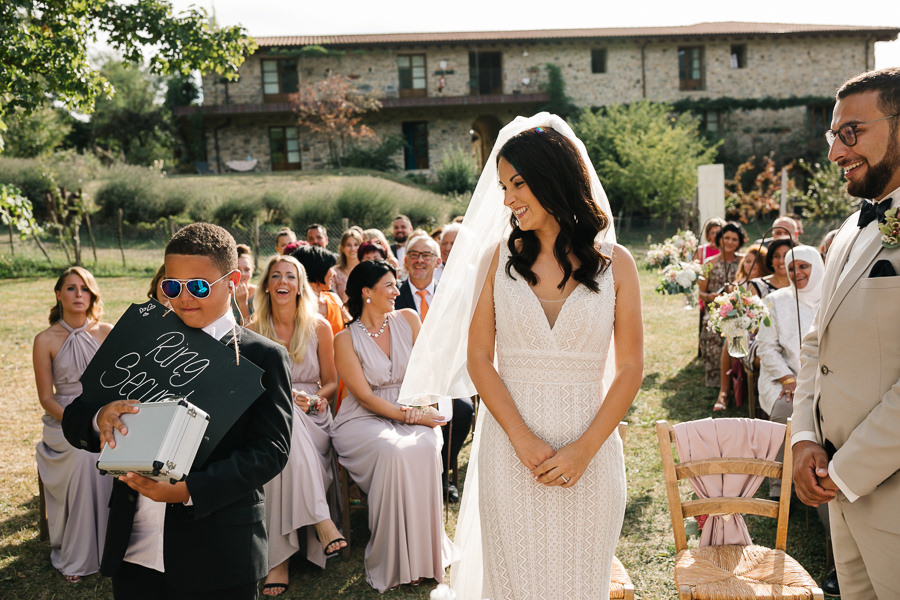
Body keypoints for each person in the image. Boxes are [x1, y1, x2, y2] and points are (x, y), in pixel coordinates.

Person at [432, 116, 642, 600]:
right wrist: (522, 439)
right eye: (504, 186)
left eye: (518, 183)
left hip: (590, 456)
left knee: (582, 586)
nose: (507, 199)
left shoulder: (618, 264)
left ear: (554, 178)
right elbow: (480, 359)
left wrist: (585, 449)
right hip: (510, 453)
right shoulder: (494, 259)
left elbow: (631, 369)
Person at [62, 222, 293, 599]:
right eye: (172, 286)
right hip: (133, 549)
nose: (184, 297)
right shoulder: (140, 339)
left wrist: (189, 491)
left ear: (232, 281)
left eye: (199, 286)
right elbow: (76, 415)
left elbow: (270, 452)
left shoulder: (264, 357)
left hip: (218, 553)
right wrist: (98, 417)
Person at [792, 67, 900, 597]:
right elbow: (818, 343)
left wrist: (848, 470)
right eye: (834, 135)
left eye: (851, 132)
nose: (835, 152)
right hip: (839, 494)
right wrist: (805, 437)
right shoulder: (851, 229)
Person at [331, 260, 452, 592]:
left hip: (411, 407)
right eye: (389, 285)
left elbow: (428, 370)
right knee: (393, 451)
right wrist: (411, 417)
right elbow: (366, 398)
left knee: (426, 446)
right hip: (363, 418)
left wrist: (421, 408)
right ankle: (395, 560)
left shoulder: (409, 319)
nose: (398, 291)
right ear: (367, 292)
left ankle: (425, 558)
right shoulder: (344, 339)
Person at [249, 255, 344, 596]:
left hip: (314, 413)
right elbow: (247, 387)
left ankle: (279, 560)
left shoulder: (319, 326)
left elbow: (332, 382)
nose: (283, 282)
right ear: (267, 285)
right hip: (267, 414)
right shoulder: (251, 330)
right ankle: (321, 521)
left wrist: (316, 399)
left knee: (288, 431)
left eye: (290, 276)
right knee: (282, 423)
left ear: (300, 285)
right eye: (276, 276)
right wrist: (280, 400)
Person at [33, 266, 115, 583]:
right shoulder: (45, 339)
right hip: (64, 418)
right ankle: (81, 554)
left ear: (92, 294)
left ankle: (119, 546)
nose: (78, 294)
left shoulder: (107, 332)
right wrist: (79, 423)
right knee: (85, 457)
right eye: (70, 288)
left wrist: (104, 415)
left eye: (84, 288)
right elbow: (45, 397)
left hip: (104, 410)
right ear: (58, 294)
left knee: (124, 448)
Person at [394, 233, 473, 504]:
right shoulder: (393, 294)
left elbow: (461, 338)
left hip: (443, 375)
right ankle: (414, 476)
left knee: (463, 409)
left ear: (438, 261)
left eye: (426, 255)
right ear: (405, 261)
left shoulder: (450, 296)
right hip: (403, 377)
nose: (420, 260)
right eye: (414, 255)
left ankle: (441, 473)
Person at [713, 244, 770, 411]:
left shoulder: (765, 285)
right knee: (730, 338)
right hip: (741, 328)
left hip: (762, 328)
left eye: (757, 262)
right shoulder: (737, 285)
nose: (751, 265)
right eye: (748, 261)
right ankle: (724, 392)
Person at [697, 221, 746, 388]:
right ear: (720, 239)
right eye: (726, 238)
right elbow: (701, 294)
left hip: (739, 309)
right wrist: (711, 297)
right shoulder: (709, 263)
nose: (730, 242)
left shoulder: (744, 261)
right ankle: (716, 379)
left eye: (734, 239)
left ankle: (739, 377)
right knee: (711, 325)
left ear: (739, 241)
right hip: (716, 309)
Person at [291, 244, 347, 334]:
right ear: (318, 270)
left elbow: (353, 326)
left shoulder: (334, 299)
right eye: (330, 268)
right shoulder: (293, 304)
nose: (334, 273)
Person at [333, 228, 363, 302]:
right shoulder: (334, 273)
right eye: (348, 245)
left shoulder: (367, 270)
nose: (353, 248)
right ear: (342, 248)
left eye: (356, 245)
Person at [235, 244, 257, 322]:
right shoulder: (224, 294)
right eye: (238, 269)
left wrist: (243, 304)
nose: (242, 274)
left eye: (247, 270)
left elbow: (248, 332)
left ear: (252, 271)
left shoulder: (259, 294)